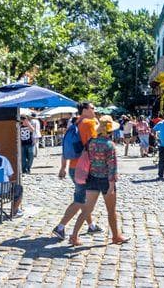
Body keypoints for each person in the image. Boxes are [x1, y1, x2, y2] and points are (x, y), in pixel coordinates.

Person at [68, 116, 127, 246]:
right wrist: (111, 185)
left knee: (87, 210)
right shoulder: (109, 145)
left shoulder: (91, 142)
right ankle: (116, 236)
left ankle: (74, 236)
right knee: (111, 211)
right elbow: (112, 167)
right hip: (106, 181)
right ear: (110, 130)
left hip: (92, 178)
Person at [52, 103, 102, 240]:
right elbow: (94, 145)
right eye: (92, 108)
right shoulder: (89, 123)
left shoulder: (75, 123)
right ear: (85, 110)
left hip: (74, 167)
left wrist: (63, 167)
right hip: (85, 168)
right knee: (80, 200)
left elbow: (66, 148)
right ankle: (60, 227)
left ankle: (91, 226)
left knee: (84, 198)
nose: (95, 110)